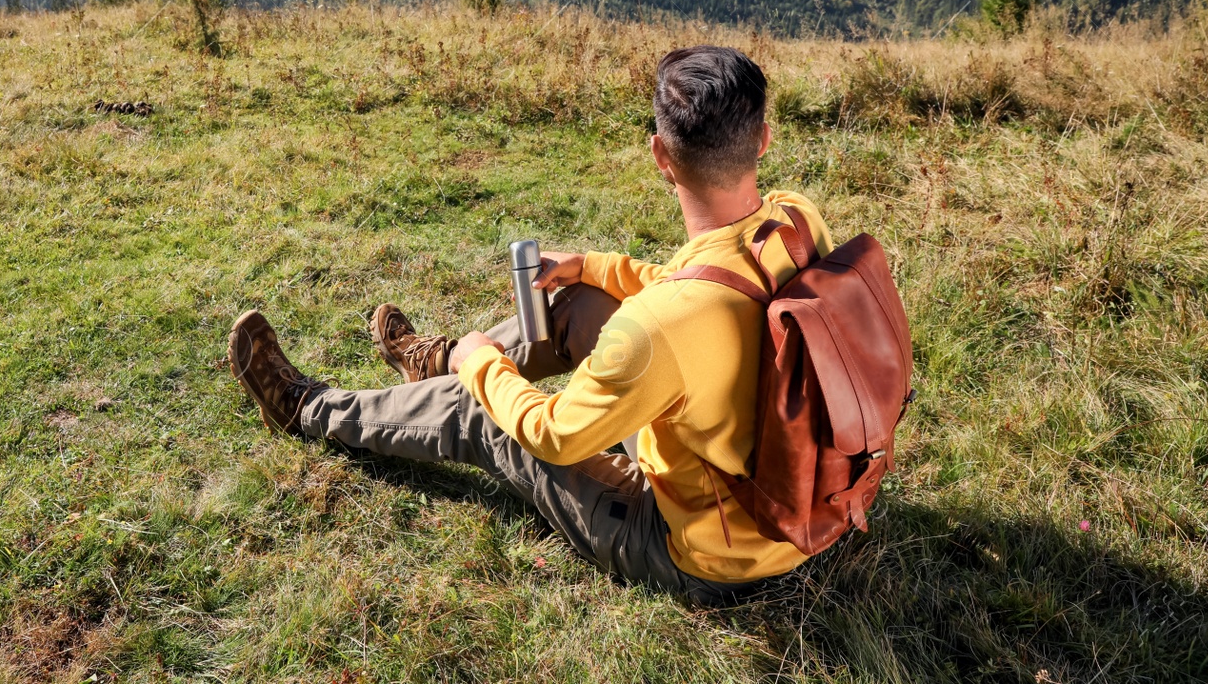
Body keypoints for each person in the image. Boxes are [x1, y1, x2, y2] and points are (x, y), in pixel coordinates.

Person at [227, 46, 834, 602]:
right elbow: (716, 291)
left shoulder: (662, 328)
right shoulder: (794, 219)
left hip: (707, 553)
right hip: (790, 488)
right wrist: (592, 267)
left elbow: (556, 436)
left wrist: (482, 366)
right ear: (762, 139)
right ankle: (432, 364)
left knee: (488, 413)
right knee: (579, 301)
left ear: (660, 156)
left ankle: (308, 409)